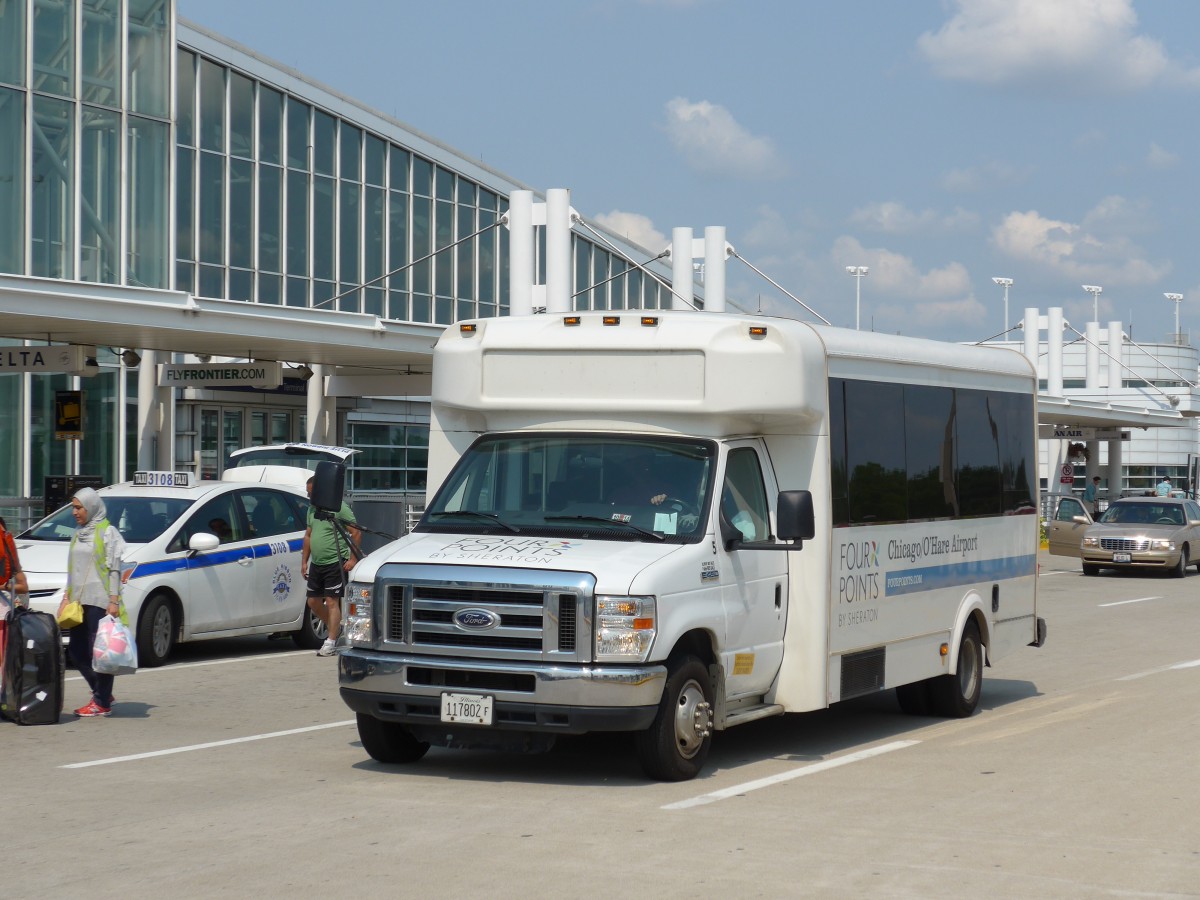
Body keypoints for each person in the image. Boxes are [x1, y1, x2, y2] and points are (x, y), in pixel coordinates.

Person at [59, 488, 127, 718]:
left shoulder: (107, 532)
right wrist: (66, 597)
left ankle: (101, 702)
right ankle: (103, 693)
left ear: (91, 507)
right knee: (77, 653)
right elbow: (73, 570)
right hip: (78, 602)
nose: (74, 512)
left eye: (79, 508)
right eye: (73, 507)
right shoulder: (78, 533)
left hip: (100, 601)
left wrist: (114, 601)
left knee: (100, 653)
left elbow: (114, 569)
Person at [301, 477, 361, 657]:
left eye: (312, 493)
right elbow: (308, 535)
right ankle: (335, 627)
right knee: (313, 601)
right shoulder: (312, 509)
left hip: (335, 561)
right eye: (308, 493)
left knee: (332, 600)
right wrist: (304, 561)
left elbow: (356, 532)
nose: (309, 497)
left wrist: (353, 559)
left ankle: (331, 641)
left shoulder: (339, 507)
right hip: (317, 562)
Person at [0, 515, 29, 672]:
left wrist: (4, 586)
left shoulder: (8, 554)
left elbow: (23, 587)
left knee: (3, 659)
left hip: (4, 614)